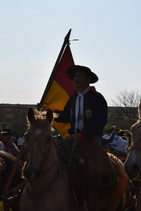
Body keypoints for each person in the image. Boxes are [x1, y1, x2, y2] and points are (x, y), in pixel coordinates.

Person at [54, 65, 111, 209]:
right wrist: (49, 113)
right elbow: (65, 116)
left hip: (91, 140)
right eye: (75, 77)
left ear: (88, 78)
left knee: (93, 168)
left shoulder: (97, 98)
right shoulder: (73, 98)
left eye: (79, 76)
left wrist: (82, 135)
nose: (76, 79)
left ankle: (95, 198)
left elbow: (100, 121)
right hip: (73, 139)